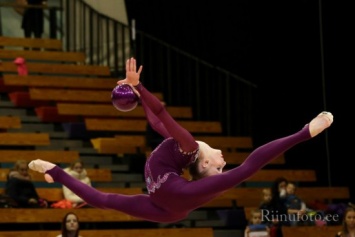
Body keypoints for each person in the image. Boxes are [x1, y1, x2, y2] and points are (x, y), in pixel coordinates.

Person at [28, 57, 334, 223]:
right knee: (104, 201)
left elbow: (162, 113)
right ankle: (53, 170)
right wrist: (138, 96)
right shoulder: (184, 154)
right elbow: (154, 119)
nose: (223, 160)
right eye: (222, 166)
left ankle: (54, 171)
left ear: (203, 163)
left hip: (169, 203)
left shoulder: (188, 147)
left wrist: (140, 88)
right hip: (168, 209)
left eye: (218, 166)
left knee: (105, 200)